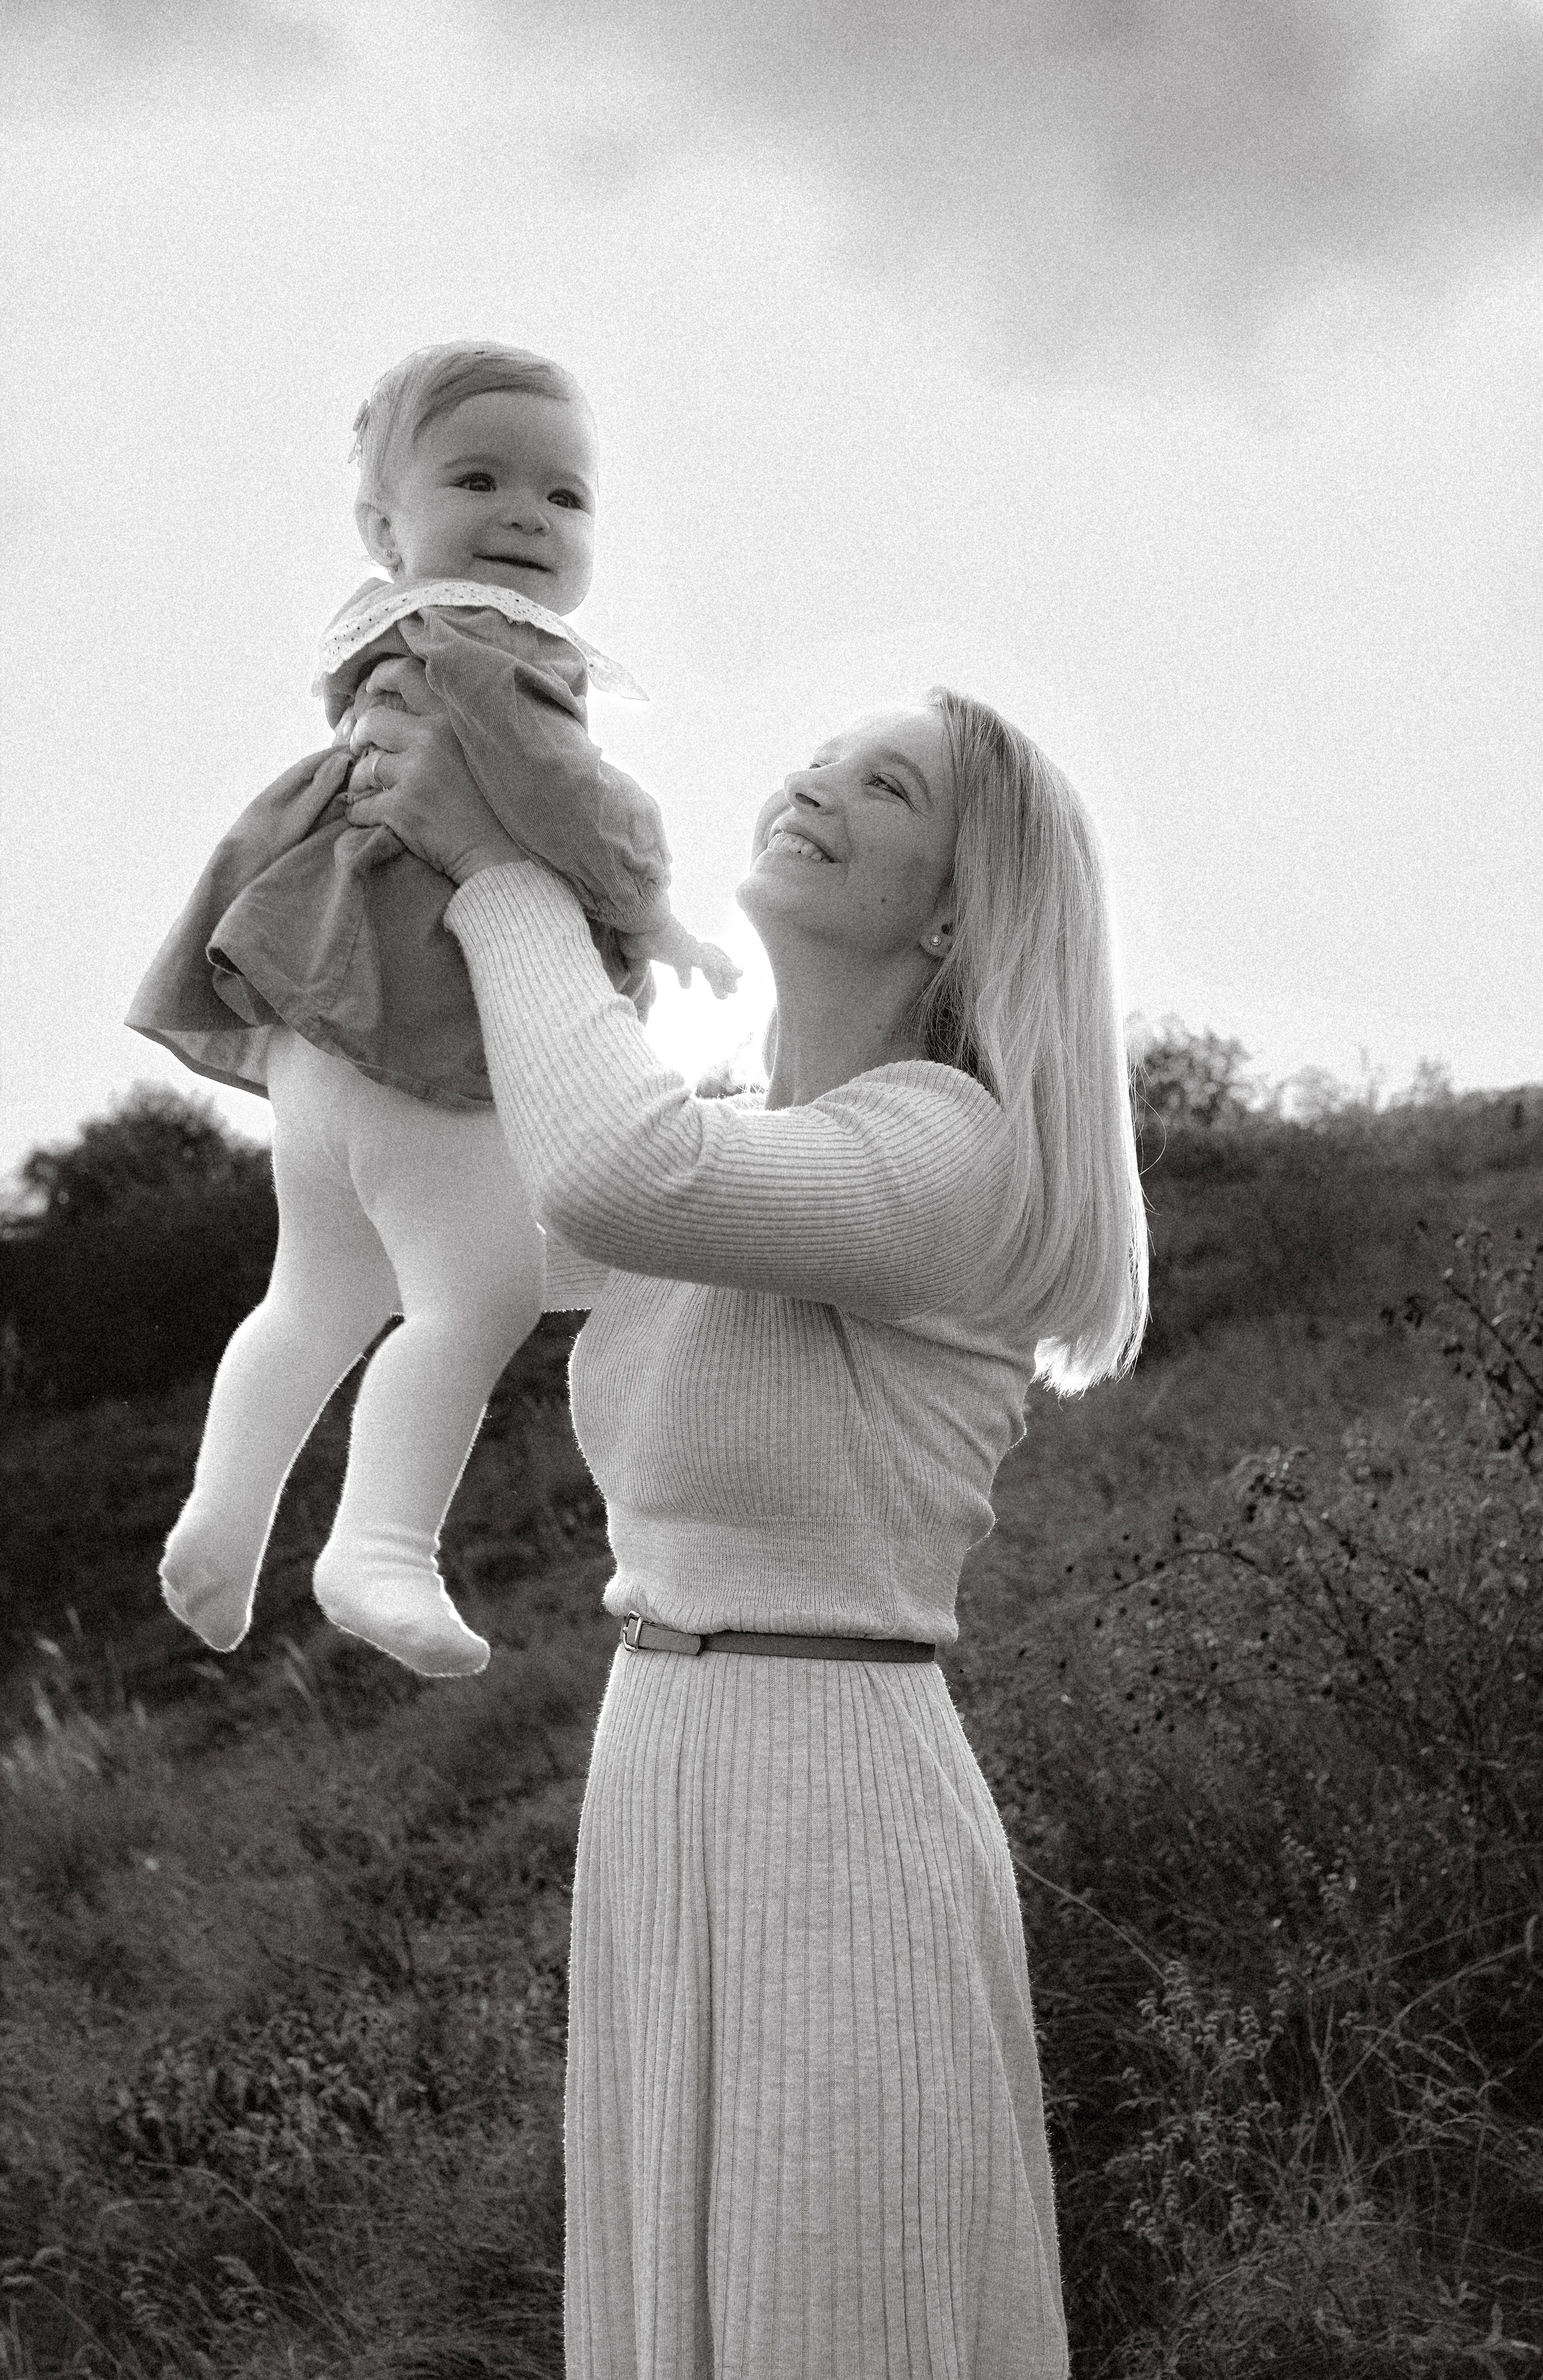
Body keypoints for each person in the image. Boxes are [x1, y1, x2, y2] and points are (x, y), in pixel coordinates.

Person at [343, 662, 1150, 2378]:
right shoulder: (759, 1146)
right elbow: (467, 1220)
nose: (825, 779)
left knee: (838, 2317)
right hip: (667, 1774)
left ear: (954, 916)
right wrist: (379, 859)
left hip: (835, 1800)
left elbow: (610, 1172)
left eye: (894, 789)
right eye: (824, 751)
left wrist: (508, 878)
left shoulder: (954, 1149)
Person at [126, 340, 736, 1678]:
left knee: (318, 1292)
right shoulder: (489, 644)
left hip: (321, 1039)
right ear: (384, 527)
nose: (525, 513)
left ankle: (223, 1519)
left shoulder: (387, 641)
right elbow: (566, 797)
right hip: (422, 1031)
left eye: (564, 497)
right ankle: (377, 1548)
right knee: (476, 1293)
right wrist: (651, 906)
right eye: (478, 479)